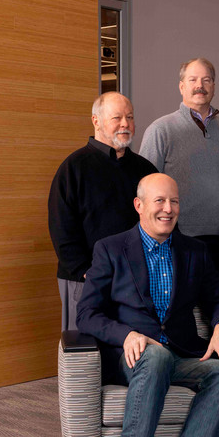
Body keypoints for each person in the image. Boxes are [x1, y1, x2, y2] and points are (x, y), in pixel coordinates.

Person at [77, 173, 219, 437]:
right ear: (139, 206)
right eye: (160, 201)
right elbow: (87, 314)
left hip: (182, 353)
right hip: (132, 359)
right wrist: (127, 333)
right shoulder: (111, 248)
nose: (168, 209)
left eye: (174, 202)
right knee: (156, 357)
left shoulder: (195, 251)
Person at [48, 92, 157, 331]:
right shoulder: (73, 168)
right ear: (96, 121)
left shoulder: (145, 169)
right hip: (85, 279)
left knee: (133, 351)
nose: (125, 124)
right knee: (86, 353)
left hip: (137, 282)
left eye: (130, 117)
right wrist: (86, 272)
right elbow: (61, 227)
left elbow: (159, 221)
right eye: (116, 117)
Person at [140, 57, 219, 301]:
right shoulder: (161, 130)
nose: (200, 85)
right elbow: (145, 188)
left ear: (214, 86)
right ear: (181, 86)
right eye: (193, 80)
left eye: (206, 80)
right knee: (182, 318)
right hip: (177, 241)